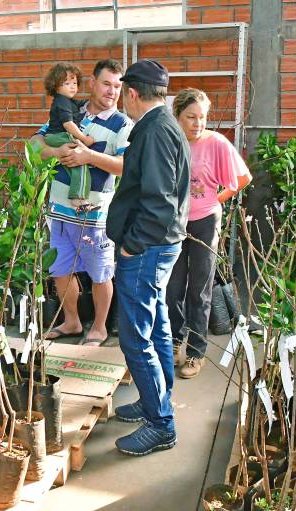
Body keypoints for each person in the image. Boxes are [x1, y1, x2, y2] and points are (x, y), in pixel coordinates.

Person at [106, 59, 191, 456]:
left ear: (132, 93)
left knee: (135, 335)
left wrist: (131, 245)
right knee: (156, 326)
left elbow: (159, 201)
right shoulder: (164, 126)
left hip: (147, 248)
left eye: (123, 92)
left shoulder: (155, 131)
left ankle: (161, 424)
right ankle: (155, 399)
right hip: (159, 245)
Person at [30, 59, 132, 346]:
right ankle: (72, 322)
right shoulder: (69, 109)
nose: (112, 91)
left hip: (95, 215)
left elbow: (127, 166)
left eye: (117, 86)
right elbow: (34, 144)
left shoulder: (123, 124)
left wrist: (90, 157)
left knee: (100, 273)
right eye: (106, 84)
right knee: (60, 270)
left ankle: (99, 327)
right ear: (92, 82)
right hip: (59, 211)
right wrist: (54, 150)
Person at [167, 88, 252, 379]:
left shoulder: (217, 143)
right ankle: (175, 342)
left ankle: (196, 352)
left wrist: (215, 200)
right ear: (177, 116)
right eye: (190, 117)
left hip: (205, 221)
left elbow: (243, 178)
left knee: (199, 289)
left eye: (202, 117)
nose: (197, 123)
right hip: (174, 222)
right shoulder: (171, 141)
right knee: (173, 286)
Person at [42, 62, 95, 207]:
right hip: (59, 135)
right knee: (80, 160)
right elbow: (68, 124)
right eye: (67, 83)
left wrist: (92, 102)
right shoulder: (62, 102)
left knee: (74, 164)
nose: (73, 86)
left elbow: (78, 105)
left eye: (75, 82)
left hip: (54, 136)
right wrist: (84, 139)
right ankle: (78, 198)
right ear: (56, 85)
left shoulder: (66, 101)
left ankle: (77, 195)